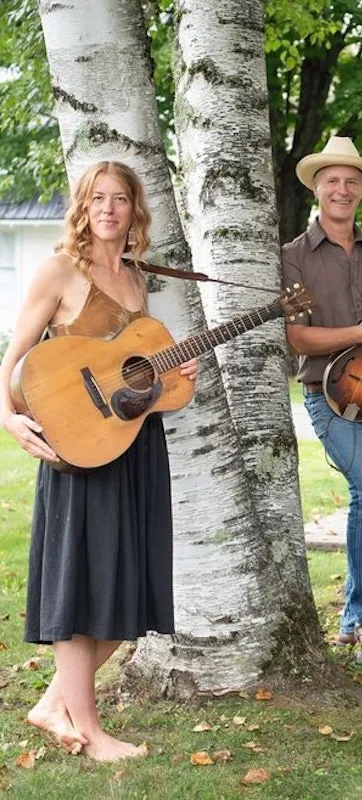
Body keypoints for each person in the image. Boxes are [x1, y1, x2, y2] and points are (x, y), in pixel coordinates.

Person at [0, 161, 197, 761]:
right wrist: (8, 419)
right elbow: (13, 363)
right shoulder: (60, 271)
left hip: (133, 449)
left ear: (136, 210)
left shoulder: (139, 280)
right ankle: (89, 733)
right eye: (97, 199)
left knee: (125, 591)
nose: (109, 209)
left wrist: (171, 377)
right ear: (82, 207)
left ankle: (54, 703)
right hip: (78, 451)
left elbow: (132, 376)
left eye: (120, 200)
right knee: (83, 585)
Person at [281, 136, 362, 660]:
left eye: (351, 181)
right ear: (317, 188)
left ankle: (351, 616)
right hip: (328, 398)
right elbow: (298, 339)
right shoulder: (294, 258)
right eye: (332, 180)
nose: (342, 189)